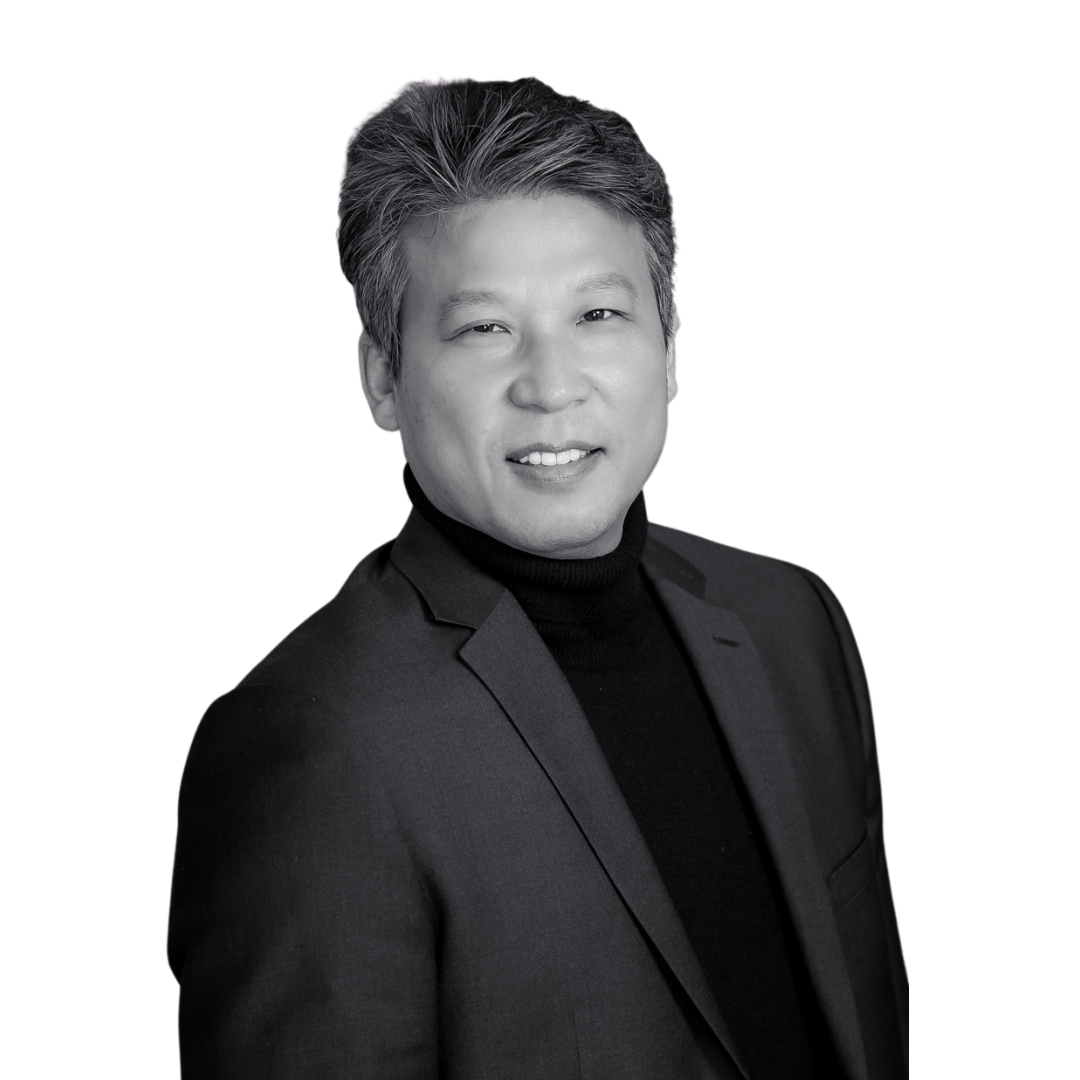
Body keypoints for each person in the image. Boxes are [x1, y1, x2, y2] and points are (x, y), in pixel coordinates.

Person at [168, 78, 907, 1079]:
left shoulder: (789, 623)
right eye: (485, 329)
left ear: (669, 346)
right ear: (383, 377)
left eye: (599, 313)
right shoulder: (315, 743)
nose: (552, 386)